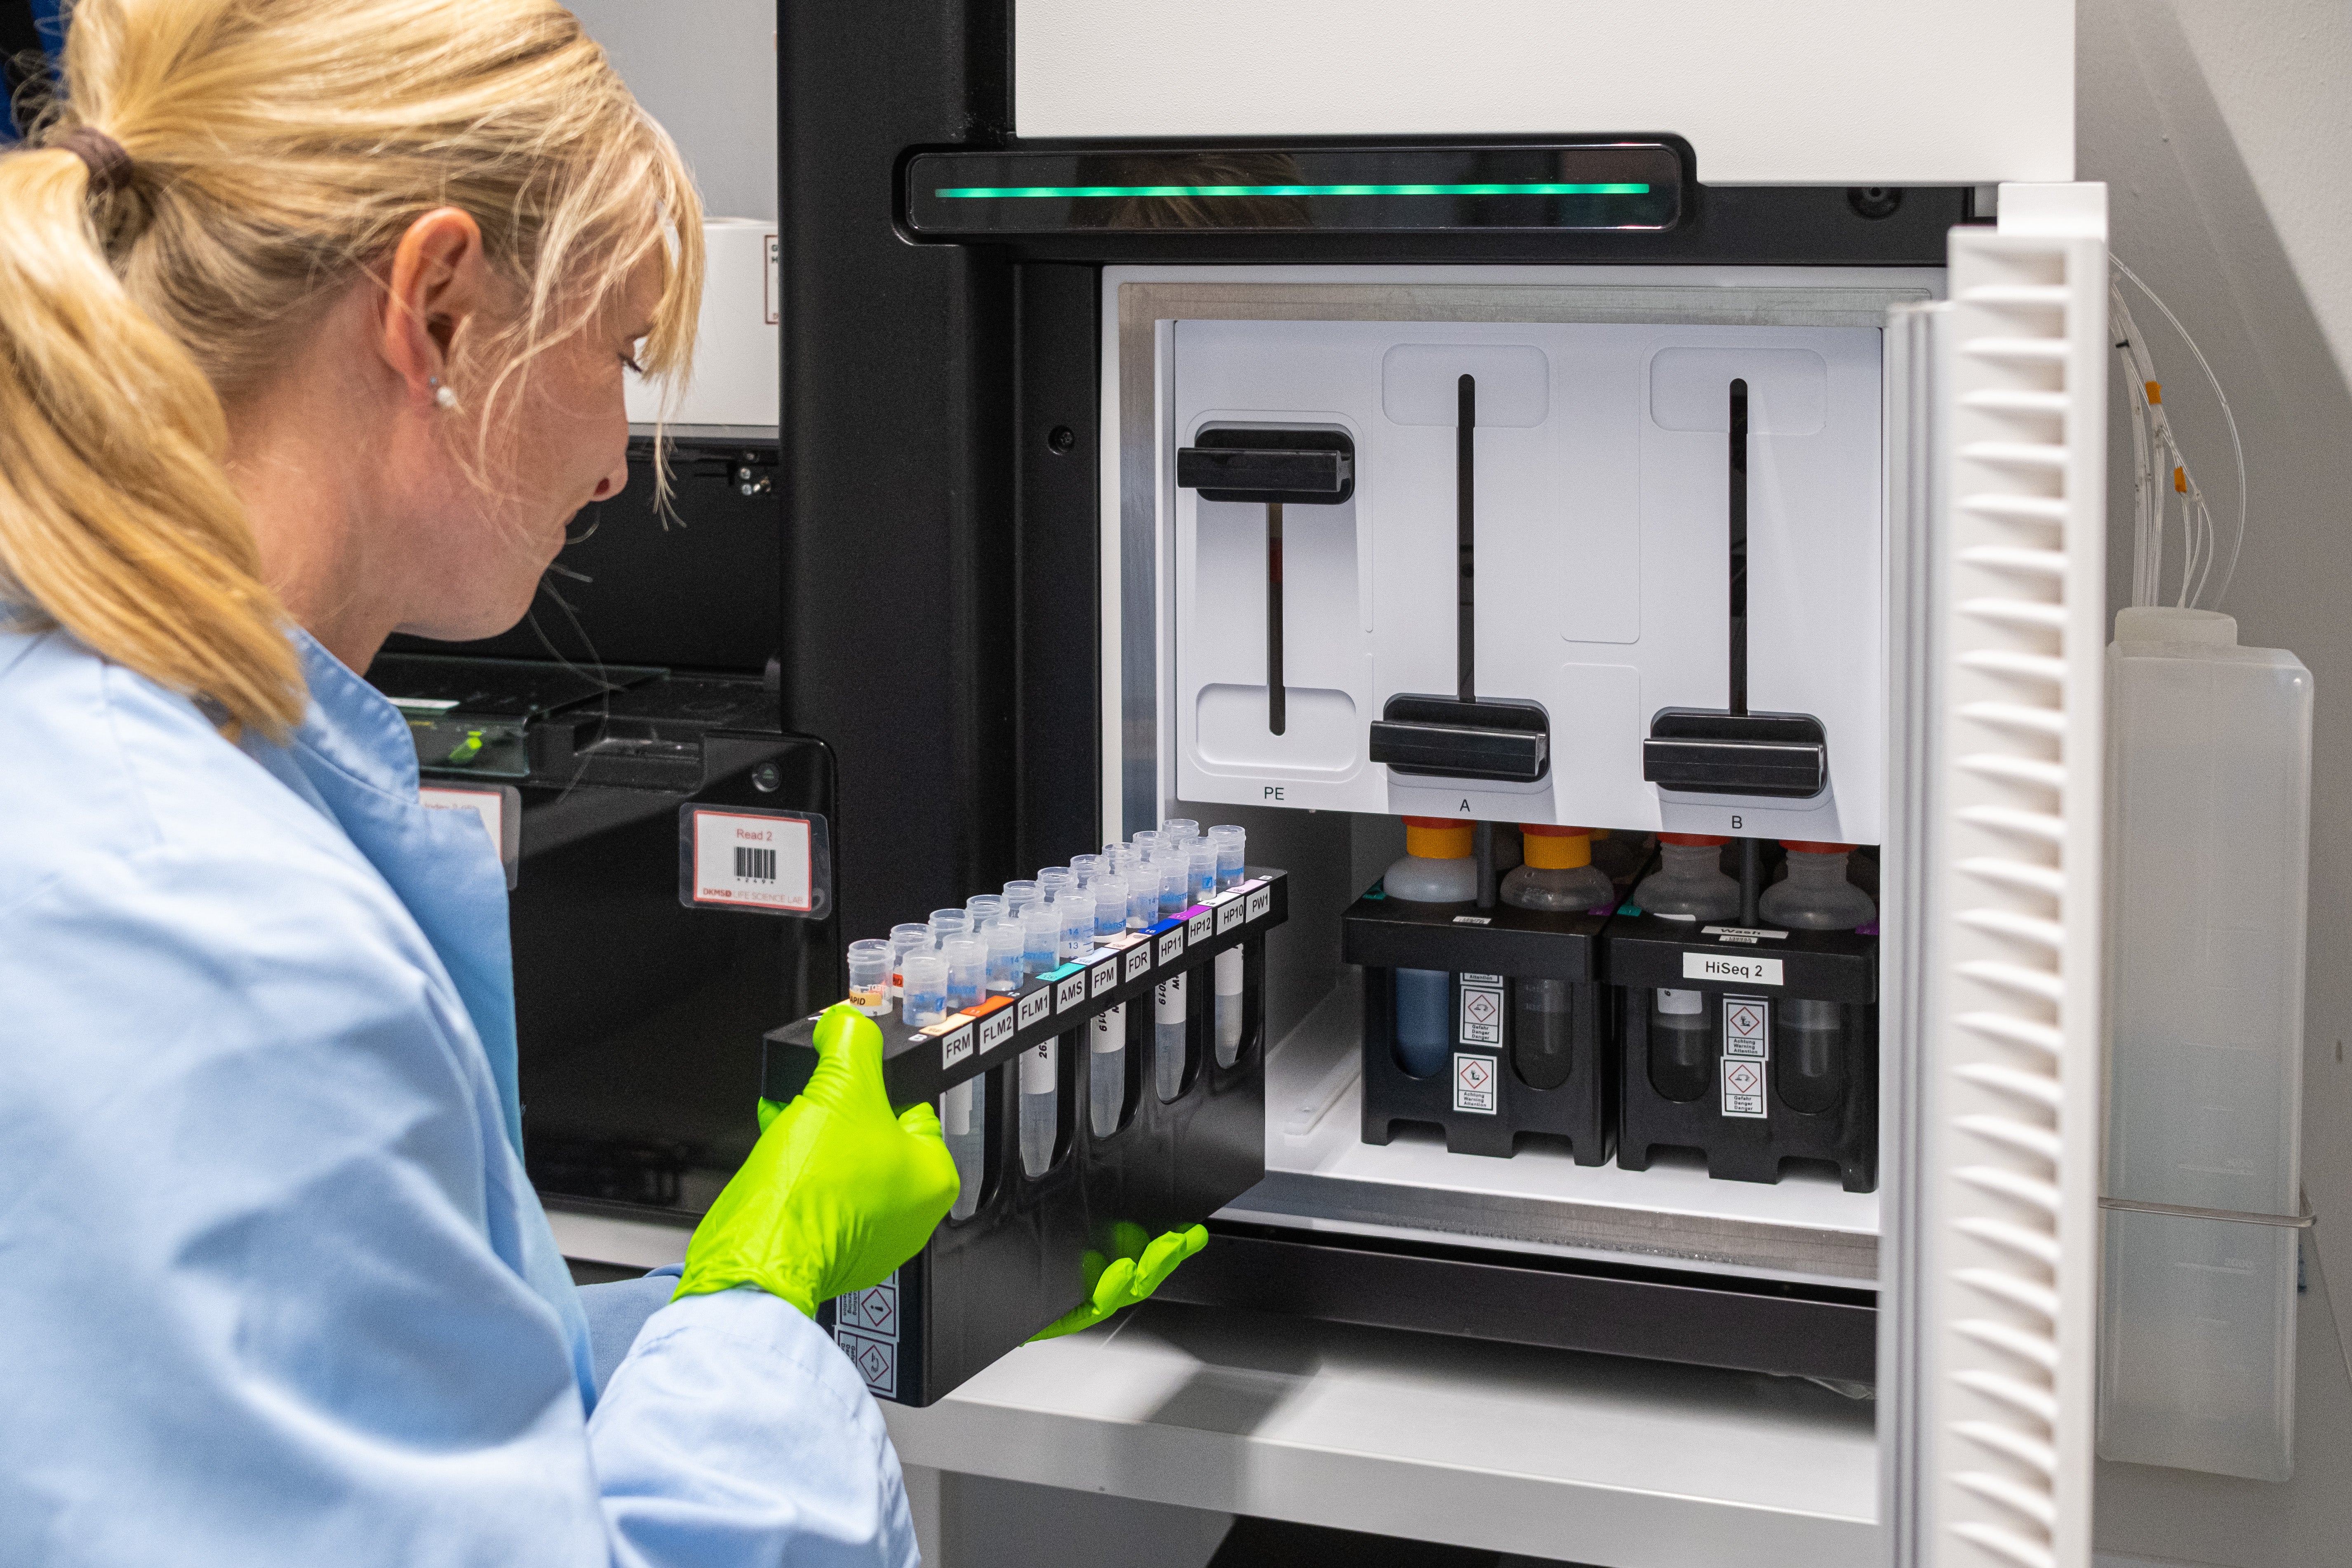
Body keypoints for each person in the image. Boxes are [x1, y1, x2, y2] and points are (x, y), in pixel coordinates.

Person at [0, 2, 971, 1562]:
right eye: (620, 351)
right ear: (438, 311)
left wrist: (708, 1304)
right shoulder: (218, 937)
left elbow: (385, 1419)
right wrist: (765, 1293)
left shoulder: (106, 755)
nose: (618, 459)